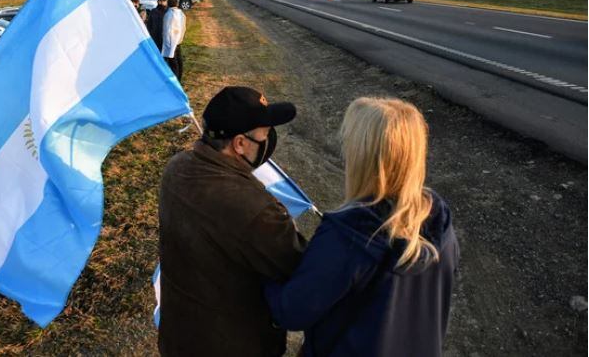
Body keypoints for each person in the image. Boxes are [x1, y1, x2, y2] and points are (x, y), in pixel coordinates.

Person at [265, 97, 459, 357]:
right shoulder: (440, 223)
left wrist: (263, 275)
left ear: (364, 158)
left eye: (349, 146)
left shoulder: (348, 234)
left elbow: (292, 312)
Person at [159, 86, 307, 356]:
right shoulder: (256, 209)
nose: (269, 140)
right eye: (265, 134)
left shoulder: (175, 167)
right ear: (240, 144)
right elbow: (300, 271)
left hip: (177, 337)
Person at [161, 0, 185, 82]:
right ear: (177, 4)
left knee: (173, 63)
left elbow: (167, 30)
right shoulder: (181, 13)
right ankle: (179, 78)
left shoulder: (169, 14)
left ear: (168, 4)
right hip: (178, 41)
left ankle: (175, 81)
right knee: (179, 61)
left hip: (171, 42)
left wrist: (167, 44)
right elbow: (183, 28)